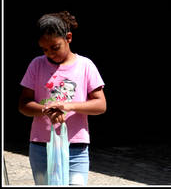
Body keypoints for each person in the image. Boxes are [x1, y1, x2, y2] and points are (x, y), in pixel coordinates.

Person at [18, 11, 106, 186]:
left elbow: (100, 104)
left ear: (69, 38)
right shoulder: (36, 65)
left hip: (75, 147)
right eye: (44, 49)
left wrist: (67, 105)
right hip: (41, 146)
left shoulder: (85, 66)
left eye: (55, 47)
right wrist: (45, 109)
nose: (50, 53)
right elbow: (23, 104)